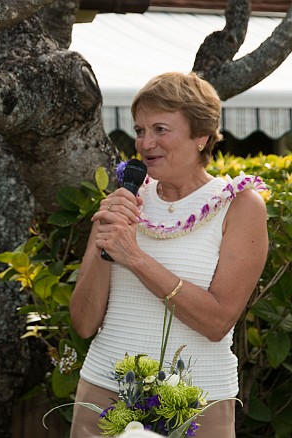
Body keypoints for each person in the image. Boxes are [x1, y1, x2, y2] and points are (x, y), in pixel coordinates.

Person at [69, 72, 268, 437]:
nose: (145, 142)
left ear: (201, 136)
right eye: (140, 130)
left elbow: (217, 321)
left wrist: (137, 259)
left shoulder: (240, 206)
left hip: (196, 406)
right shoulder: (124, 201)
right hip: (103, 397)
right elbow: (83, 323)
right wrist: (104, 245)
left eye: (160, 129)